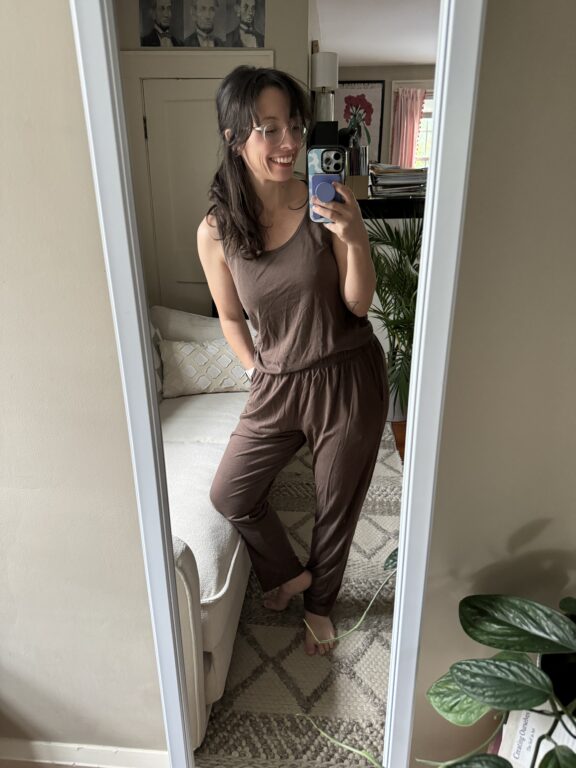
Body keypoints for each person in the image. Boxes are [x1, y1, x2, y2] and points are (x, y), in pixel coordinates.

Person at [197, 66, 389, 657]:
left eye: (295, 127)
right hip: (277, 382)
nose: (289, 144)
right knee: (231, 493)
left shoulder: (325, 204)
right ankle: (288, 573)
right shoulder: (216, 231)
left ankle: (320, 604)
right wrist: (255, 366)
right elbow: (230, 318)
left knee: (337, 502)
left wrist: (354, 238)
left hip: (347, 372)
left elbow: (358, 303)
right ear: (235, 135)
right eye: (269, 129)